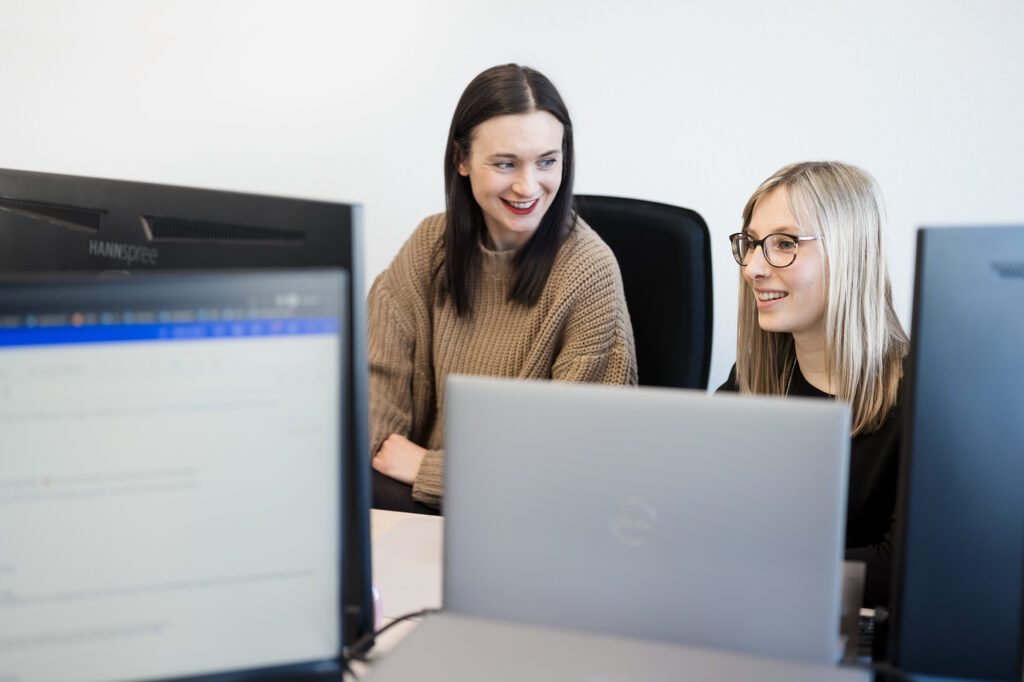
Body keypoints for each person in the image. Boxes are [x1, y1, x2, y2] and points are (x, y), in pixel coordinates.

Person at [368, 64, 637, 511]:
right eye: (505, 163)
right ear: (462, 159)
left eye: (547, 161)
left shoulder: (589, 273)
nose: (528, 186)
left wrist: (432, 470)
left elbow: (577, 462)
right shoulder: (427, 247)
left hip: (528, 523)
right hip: (410, 505)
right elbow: (373, 404)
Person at [718, 161, 908, 608]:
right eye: (751, 244)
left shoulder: (923, 398)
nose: (752, 268)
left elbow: (900, 570)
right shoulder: (753, 381)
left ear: (849, 253)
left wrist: (755, 574)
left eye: (784, 244)